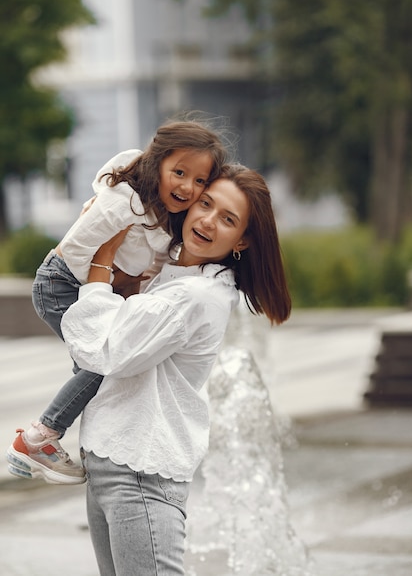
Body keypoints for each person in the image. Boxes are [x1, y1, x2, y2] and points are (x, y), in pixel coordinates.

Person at [57, 164, 291, 576]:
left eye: (228, 219)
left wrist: (101, 261)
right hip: (110, 460)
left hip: (141, 474)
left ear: (243, 240)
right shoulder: (172, 272)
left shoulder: (198, 296)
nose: (207, 221)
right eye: (206, 204)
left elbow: (111, 350)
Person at [6, 118, 227, 485]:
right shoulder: (122, 205)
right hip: (61, 285)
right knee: (103, 361)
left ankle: (70, 446)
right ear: (157, 163)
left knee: (101, 366)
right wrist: (115, 282)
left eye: (200, 181)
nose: (188, 187)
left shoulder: (161, 211)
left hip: (90, 287)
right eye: (180, 172)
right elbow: (76, 249)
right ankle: (38, 439)